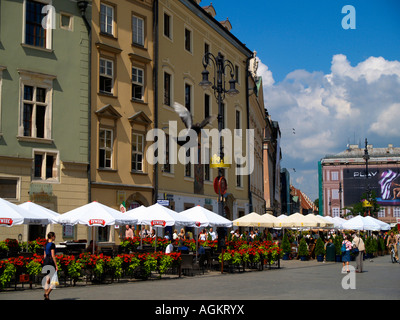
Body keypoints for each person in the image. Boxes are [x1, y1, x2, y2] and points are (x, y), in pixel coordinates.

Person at [43, 232, 58, 300]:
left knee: (47, 280)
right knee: (54, 281)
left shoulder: (45, 244)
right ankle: (47, 293)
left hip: (45, 261)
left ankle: (47, 296)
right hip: (50, 262)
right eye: (54, 236)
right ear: (52, 237)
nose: (55, 237)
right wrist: (56, 265)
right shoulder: (52, 245)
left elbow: (44, 255)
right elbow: (53, 255)